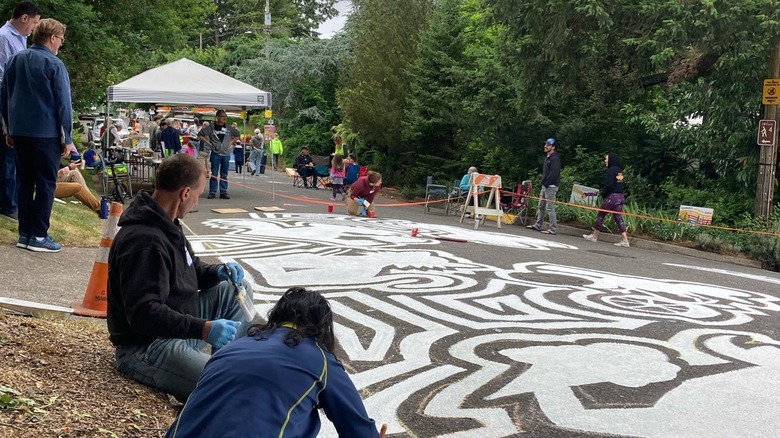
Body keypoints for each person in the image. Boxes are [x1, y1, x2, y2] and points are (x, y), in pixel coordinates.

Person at [107, 153, 255, 402]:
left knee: (235, 289)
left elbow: (190, 268)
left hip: (175, 327)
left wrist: (217, 271)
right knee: (227, 387)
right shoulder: (144, 241)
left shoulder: (167, 222)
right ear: (185, 193)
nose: (196, 203)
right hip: (147, 346)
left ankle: (224, 363)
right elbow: (143, 314)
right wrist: (202, 328)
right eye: (197, 196)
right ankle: (218, 378)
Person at [165, 287, 381, 438]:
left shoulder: (233, 347)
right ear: (321, 328)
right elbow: (358, 429)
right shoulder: (320, 360)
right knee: (306, 413)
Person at [0, 18, 72, 253]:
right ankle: (39, 235)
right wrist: (67, 138)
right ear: (52, 38)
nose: (61, 43)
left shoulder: (14, 60)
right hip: (45, 132)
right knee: (45, 184)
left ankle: (24, 233)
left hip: (19, 131)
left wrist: (8, 128)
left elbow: (4, 95)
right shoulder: (54, 64)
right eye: (61, 39)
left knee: (24, 181)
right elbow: (63, 103)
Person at [0, 2, 40, 223]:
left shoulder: (20, 38)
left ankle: (11, 200)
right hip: (6, 98)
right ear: (25, 18)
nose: (34, 28)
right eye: (34, 22)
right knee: (8, 151)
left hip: (15, 98)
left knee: (13, 153)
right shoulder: (5, 38)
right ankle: (7, 204)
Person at [583, 152, 630, 247]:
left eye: (606, 159)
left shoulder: (610, 171)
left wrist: (604, 194)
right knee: (618, 218)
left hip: (611, 197)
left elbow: (609, 185)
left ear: (611, 160)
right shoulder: (619, 171)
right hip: (620, 197)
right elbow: (619, 184)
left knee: (601, 214)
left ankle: (595, 236)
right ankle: (625, 240)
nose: (605, 161)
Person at [198, 110, 240, 199]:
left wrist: (231, 142)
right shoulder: (211, 127)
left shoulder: (229, 127)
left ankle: (223, 191)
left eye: (225, 116)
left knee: (224, 174)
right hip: (215, 153)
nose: (224, 118)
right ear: (217, 117)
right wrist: (209, 143)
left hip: (226, 153)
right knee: (214, 173)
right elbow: (200, 134)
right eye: (222, 116)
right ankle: (212, 192)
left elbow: (237, 135)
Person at [527, 138, 561, 235]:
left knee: (550, 207)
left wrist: (546, 183)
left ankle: (553, 229)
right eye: (546, 144)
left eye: (548, 145)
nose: (546, 146)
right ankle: (538, 225)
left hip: (551, 186)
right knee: (541, 206)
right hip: (545, 185)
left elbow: (554, 173)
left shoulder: (555, 159)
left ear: (553, 147)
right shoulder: (548, 157)